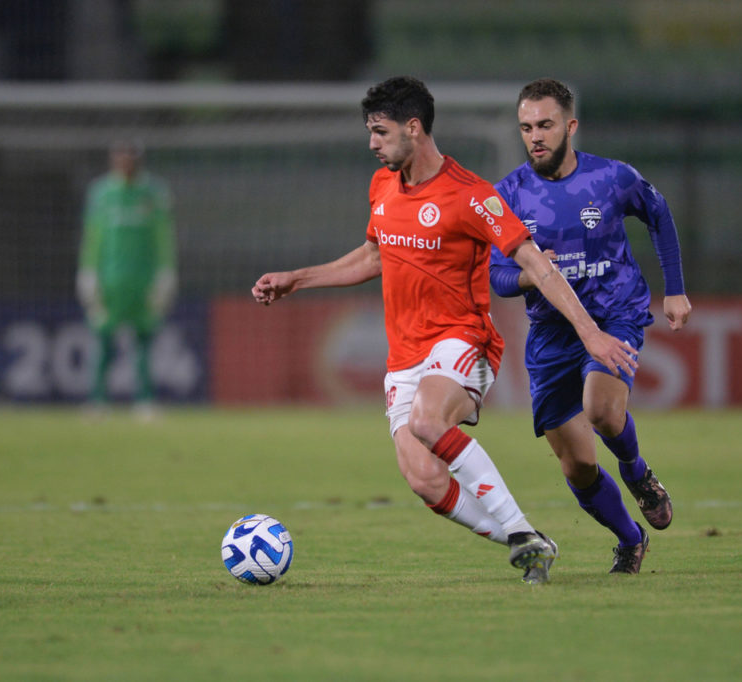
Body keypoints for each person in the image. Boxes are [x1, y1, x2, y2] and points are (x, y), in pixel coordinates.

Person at [252, 76, 638, 584]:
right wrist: (297, 279)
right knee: (425, 479)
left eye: (380, 131)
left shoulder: (471, 195)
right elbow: (374, 255)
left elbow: (535, 264)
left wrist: (589, 333)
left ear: (413, 128)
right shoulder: (383, 186)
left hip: (462, 340)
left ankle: (520, 530)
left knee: (429, 421)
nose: (372, 143)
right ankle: (530, 542)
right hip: (405, 354)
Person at [489, 78, 693, 574]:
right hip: (550, 334)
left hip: (614, 312)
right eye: (526, 127)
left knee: (601, 411)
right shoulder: (508, 194)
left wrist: (676, 287)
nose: (535, 136)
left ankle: (638, 473)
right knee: (576, 465)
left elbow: (659, 213)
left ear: (570, 126)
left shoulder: (612, 178)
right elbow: (496, 276)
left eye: (545, 125)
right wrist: (531, 276)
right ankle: (630, 538)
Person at [76, 139, 177, 417]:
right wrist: (87, 272)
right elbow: (93, 237)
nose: (126, 163)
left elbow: (163, 236)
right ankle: (98, 400)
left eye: (131, 157)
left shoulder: (154, 192)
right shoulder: (101, 193)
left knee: (144, 339)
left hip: (144, 279)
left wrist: (166, 272)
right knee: (103, 339)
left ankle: (145, 400)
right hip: (109, 279)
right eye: (121, 157)